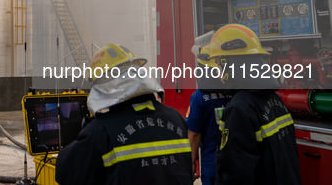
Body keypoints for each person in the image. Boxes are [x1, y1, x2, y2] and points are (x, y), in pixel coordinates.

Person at [55, 43, 193, 185]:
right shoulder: (176, 118)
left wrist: (86, 131)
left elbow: (64, 173)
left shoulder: (101, 131)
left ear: (104, 86)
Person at [207, 24, 301, 185]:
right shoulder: (275, 101)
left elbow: (234, 175)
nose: (217, 71)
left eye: (218, 63)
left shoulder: (239, 109)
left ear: (229, 63)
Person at [186, 37, 232, 185]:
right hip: (236, 163)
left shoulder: (199, 98)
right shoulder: (235, 93)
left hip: (212, 166)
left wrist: (191, 163)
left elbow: (194, 135)